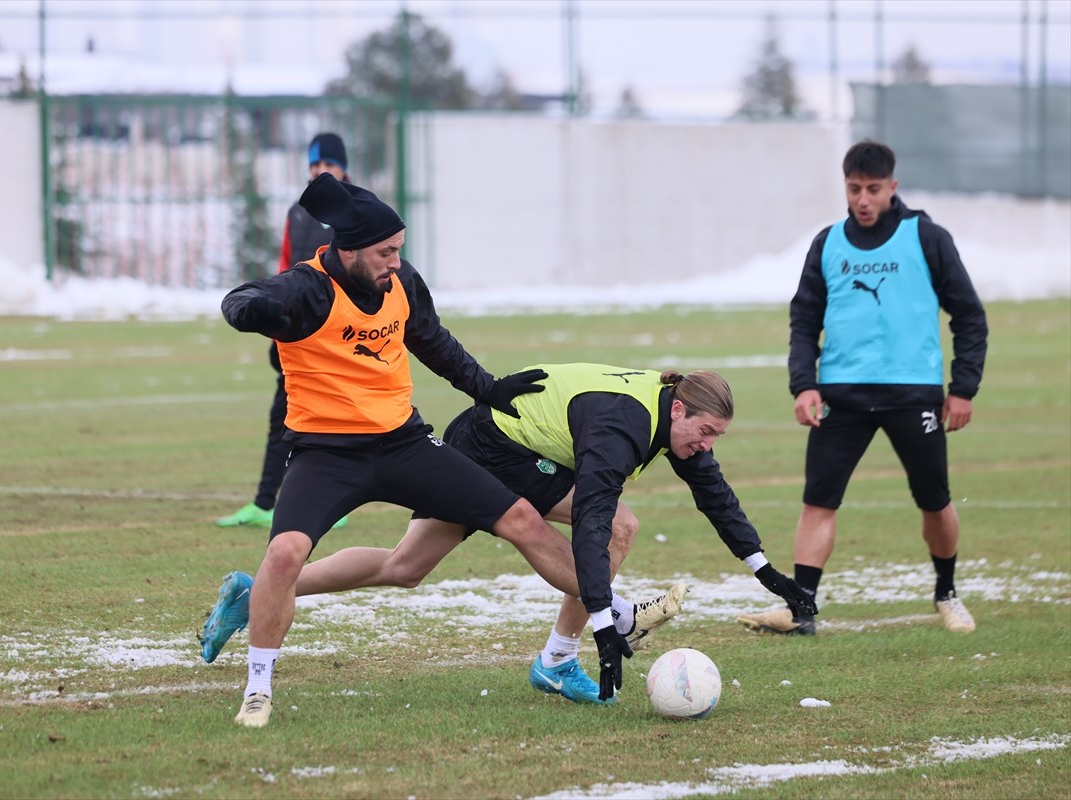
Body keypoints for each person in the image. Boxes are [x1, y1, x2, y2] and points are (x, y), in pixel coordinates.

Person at [219, 173, 646, 728]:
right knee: (283, 554)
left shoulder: (400, 282)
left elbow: (432, 341)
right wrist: (252, 312)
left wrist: (488, 388)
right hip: (326, 455)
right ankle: (257, 689)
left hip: (404, 444)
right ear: (348, 251)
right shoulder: (306, 289)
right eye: (385, 252)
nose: (395, 262)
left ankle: (612, 611)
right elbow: (241, 300)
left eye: (399, 249)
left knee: (516, 520)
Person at [199, 363, 815, 706]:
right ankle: (561, 658)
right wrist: (607, 622)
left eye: (716, 438)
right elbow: (593, 518)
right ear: (678, 409)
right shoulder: (624, 427)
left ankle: (260, 592)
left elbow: (715, 496)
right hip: (494, 447)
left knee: (404, 566)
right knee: (616, 526)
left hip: (495, 442)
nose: (706, 446)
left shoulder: (673, 417)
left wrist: (764, 570)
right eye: (705, 433)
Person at [738, 139, 988, 637]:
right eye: (854, 189)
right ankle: (801, 610)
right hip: (841, 396)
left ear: (892, 186)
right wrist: (804, 386)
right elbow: (804, 320)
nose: (863, 199)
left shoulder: (927, 237)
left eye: (873, 189)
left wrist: (963, 388)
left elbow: (969, 315)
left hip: (913, 394)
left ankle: (946, 593)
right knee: (818, 501)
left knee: (934, 501)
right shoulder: (828, 243)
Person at [216, 132, 351, 531]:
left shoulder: (358, 209)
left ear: (343, 168)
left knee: (338, 421)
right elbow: (286, 268)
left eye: (328, 164)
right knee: (284, 417)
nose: (320, 170)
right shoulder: (298, 210)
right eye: (314, 164)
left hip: (337, 334)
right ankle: (264, 502)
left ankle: (337, 504)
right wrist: (278, 322)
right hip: (297, 333)